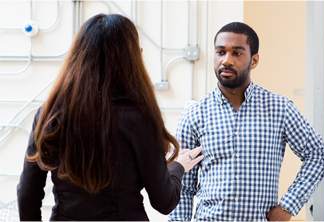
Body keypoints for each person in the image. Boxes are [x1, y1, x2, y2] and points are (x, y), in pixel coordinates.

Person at [17, 13, 204, 221]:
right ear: (132, 59)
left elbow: (27, 194)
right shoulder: (138, 119)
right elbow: (164, 201)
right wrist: (177, 167)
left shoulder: (50, 113)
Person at [168, 22, 324, 221]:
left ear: (254, 60)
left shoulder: (280, 108)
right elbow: (183, 187)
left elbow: (318, 154)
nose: (226, 60)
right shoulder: (194, 114)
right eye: (220, 52)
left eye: (237, 53)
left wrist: (289, 206)